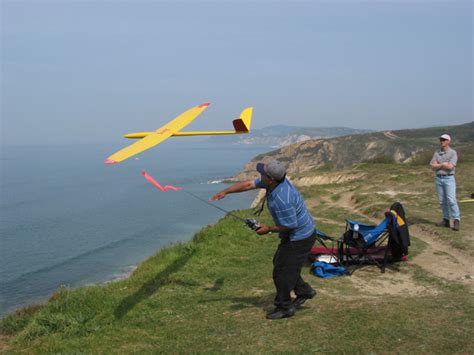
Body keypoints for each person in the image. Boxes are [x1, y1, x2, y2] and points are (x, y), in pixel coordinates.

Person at [211, 160, 317, 320]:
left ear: (271, 179)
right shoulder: (273, 183)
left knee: (281, 272)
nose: (259, 175)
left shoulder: (283, 198)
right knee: (281, 263)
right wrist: (225, 192)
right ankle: (304, 291)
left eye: (262, 173)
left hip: (300, 237)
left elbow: (290, 225)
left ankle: (285, 307)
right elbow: (248, 185)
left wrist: (268, 229)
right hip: (296, 234)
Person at [430, 134, 461, 231]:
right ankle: (446, 220)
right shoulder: (437, 153)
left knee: (451, 200)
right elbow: (432, 166)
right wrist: (443, 164)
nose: (442, 141)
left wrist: (438, 165)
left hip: (449, 178)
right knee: (442, 201)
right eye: (441, 139)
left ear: (449, 141)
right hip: (438, 178)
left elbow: (450, 167)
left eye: (444, 140)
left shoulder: (453, 153)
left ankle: (456, 220)